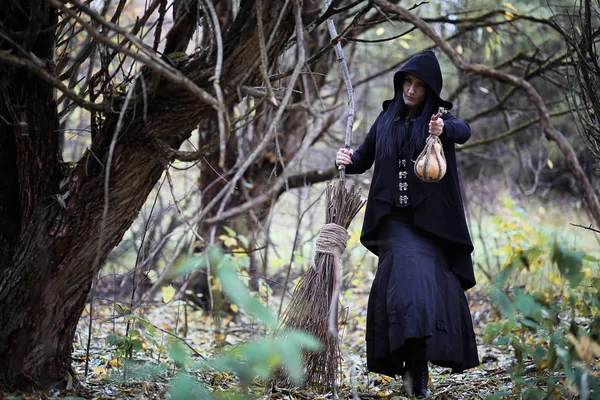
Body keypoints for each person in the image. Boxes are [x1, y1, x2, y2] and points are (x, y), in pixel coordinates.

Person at [335, 50, 479, 398]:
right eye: (407, 82)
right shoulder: (386, 119)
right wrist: (345, 159)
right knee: (410, 290)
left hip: (431, 224)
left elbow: (464, 131)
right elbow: (363, 158)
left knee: (425, 294)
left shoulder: (438, 120)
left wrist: (442, 128)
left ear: (430, 90)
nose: (411, 90)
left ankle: (416, 373)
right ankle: (414, 375)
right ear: (400, 82)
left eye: (419, 85)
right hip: (393, 222)